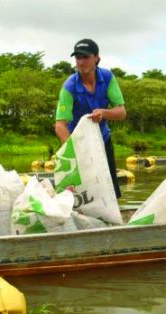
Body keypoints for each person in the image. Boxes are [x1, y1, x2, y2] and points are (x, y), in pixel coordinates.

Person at [55, 38, 126, 198]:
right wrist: (74, 154)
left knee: (110, 189)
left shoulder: (107, 78)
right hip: (79, 143)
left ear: (96, 58)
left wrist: (104, 112)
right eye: (78, 58)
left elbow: (121, 112)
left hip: (103, 139)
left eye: (85, 57)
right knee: (83, 190)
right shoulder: (69, 86)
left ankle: (112, 220)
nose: (81, 62)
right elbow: (60, 126)